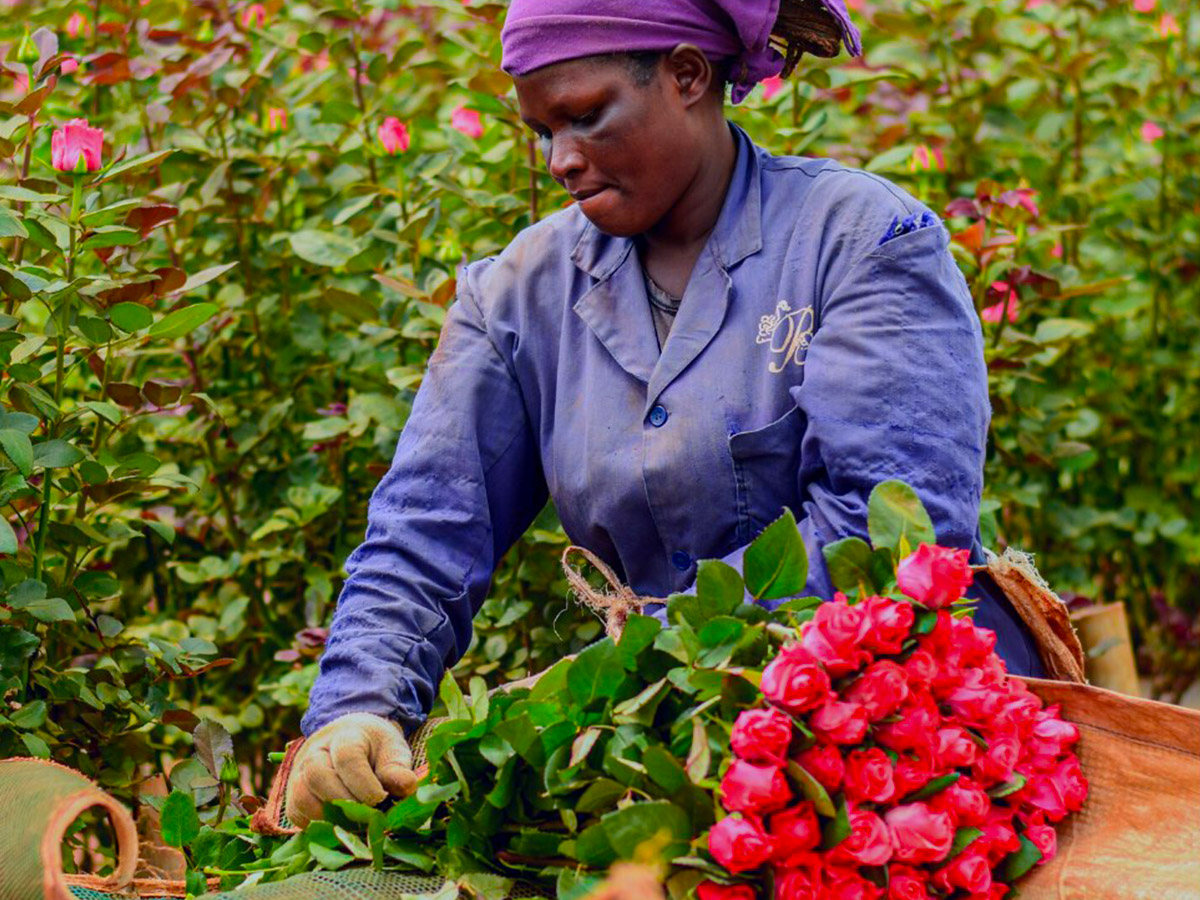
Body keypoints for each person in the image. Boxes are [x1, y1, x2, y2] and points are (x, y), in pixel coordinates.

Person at [284, 0, 1045, 827]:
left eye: (584, 116)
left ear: (686, 75)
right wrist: (357, 709)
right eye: (542, 132)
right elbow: (427, 525)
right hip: (649, 755)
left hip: (893, 755)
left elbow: (894, 537)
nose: (561, 161)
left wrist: (633, 676)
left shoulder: (860, 241)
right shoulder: (518, 293)